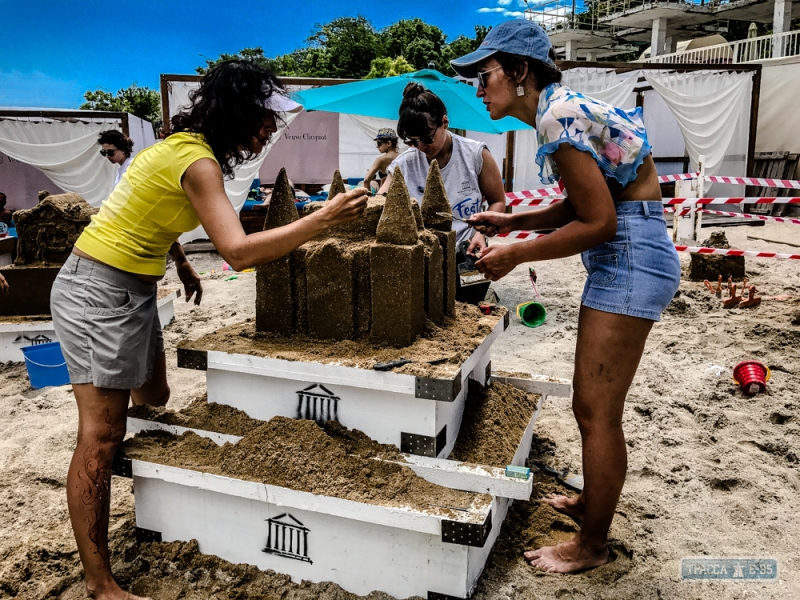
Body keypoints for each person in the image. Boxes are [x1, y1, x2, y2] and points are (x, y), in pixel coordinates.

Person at [50, 60, 367, 600]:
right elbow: (239, 253)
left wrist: (179, 261)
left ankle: (144, 492)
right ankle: (99, 581)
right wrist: (320, 220)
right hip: (97, 290)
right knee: (101, 435)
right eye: (267, 118)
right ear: (241, 112)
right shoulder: (198, 162)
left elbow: (142, 206)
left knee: (154, 395)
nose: (272, 128)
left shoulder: (177, 148)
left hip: (132, 286)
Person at [450, 20, 680, 573]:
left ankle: (592, 546)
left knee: (597, 412)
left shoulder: (555, 119)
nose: (479, 90)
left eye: (485, 76)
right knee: (591, 406)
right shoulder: (561, 108)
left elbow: (599, 222)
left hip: (629, 254)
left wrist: (516, 253)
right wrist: (513, 221)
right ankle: (591, 505)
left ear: (520, 71)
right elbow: (583, 202)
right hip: (631, 247)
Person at [378, 84, 506, 258]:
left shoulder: (475, 154)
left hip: (466, 250)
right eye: (413, 141)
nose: (421, 147)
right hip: (421, 256)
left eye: (427, 138)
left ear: (444, 122)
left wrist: (480, 234)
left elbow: (497, 201)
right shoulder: (404, 164)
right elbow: (379, 203)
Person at [362, 128, 400, 192]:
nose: (377, 146)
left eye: (379, 143)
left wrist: (369, 198)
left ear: (388, 143)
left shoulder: (380, 160)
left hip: (384, 194)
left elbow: (366, 180)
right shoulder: (403, 157)